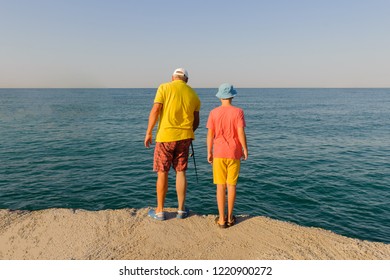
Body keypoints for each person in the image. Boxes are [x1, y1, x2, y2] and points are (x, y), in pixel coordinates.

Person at [144, 68, 201, 221]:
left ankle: (160, 211)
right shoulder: (194, 94)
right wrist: (188, 133)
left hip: (165, 137)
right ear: (186, 80)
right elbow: (196, 121)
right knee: (181, 172)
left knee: (163, 172)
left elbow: (156, 109)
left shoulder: (164, 87)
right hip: (184, 138)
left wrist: (149, 132)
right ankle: (181, 210)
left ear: (173, 77)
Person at [206, 83, 248, 228]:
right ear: (232, 96)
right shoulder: (238, 112)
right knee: (232, 185)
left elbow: (210, 134)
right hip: (234, 152)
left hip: (218, 152)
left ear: (220, 97)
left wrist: (209, 152)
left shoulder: (213, 113)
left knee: (220, 186)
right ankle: (230, 218)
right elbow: (241, 132)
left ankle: (222, 220)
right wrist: (245, 149)